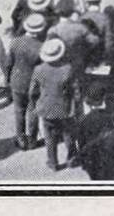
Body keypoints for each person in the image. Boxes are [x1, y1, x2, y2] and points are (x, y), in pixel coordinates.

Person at [30, 36, 78, 171]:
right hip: (65, 107)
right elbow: (76, 89)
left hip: (46, 107)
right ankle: (71, 158)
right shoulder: (68, 68)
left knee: (49, 136)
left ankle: (53, 163)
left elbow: (32, 91)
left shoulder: (38, 69)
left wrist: (34, 104)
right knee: (68, 133)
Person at [8, 12, 48, 150]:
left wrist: (9, 78)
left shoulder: (15, 42)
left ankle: (20, 138)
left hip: (17, 80)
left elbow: (9, 63)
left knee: (19, 110)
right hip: (34, 83)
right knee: (33, 110)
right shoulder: (41, 46)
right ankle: (32, 139)